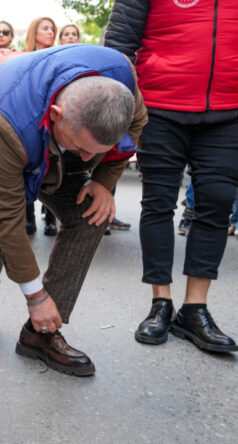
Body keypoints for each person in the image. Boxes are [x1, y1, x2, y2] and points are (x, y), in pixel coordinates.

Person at [0, 44, 147, 376]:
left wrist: (104, 181)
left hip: (46, 145)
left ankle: (41, 333)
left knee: (91, 214)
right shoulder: (8, 118)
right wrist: (35, 296)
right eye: (80, 148)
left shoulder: (122, 82)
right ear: (56, 115)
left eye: (92, 152)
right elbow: (7, 216)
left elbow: (136, 125)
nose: (83, 158)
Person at [106, 0, 238, 353]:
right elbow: (119, 44)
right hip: (160, 107)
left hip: (229, 111)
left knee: (217, 201)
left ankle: (195, 309)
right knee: (158, 203)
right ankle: (160, 303)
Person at [24, 16, 58, 236]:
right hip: (28, 120)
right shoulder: (22, 59)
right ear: (34, 31)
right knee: (24, 169)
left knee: (52, 167)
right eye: (45, 28)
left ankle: (51, 218)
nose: (50, 32)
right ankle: (28, 218)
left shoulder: (58, 57)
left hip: (52, 120)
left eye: (52, 29)